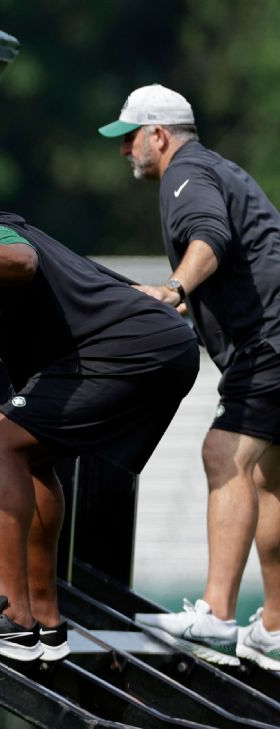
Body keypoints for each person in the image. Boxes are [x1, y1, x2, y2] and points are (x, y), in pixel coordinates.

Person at [0, 166, 200, 662]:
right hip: (155, 348)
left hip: (133, 351)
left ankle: (10, 615)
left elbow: (20, 260)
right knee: (31, 455)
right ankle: (45, 621)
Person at [100, 83, 280, 671]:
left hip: (270, 341)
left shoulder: (187, 177)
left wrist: (176, 287)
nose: (124, 151)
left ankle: (217, 619)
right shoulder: (211, 169)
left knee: (222, 455)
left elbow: (211, 237)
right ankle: (274, 629)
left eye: (129, 138)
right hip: (272, 339)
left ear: (159, 135)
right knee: (269, 480)